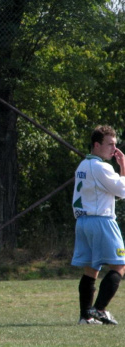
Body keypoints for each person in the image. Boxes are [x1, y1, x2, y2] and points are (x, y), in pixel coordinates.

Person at [72, 125, 125, 325]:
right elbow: (122, 191)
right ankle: (100, 310)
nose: (114, 148)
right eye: (110, 144)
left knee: (90, 269)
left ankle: (85, 316)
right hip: (101, 220)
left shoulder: (83, 165)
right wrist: (123, 167)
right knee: (120, 265)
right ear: (97, 145)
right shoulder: (102, 167)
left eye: (115, 144)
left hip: (83, 222)